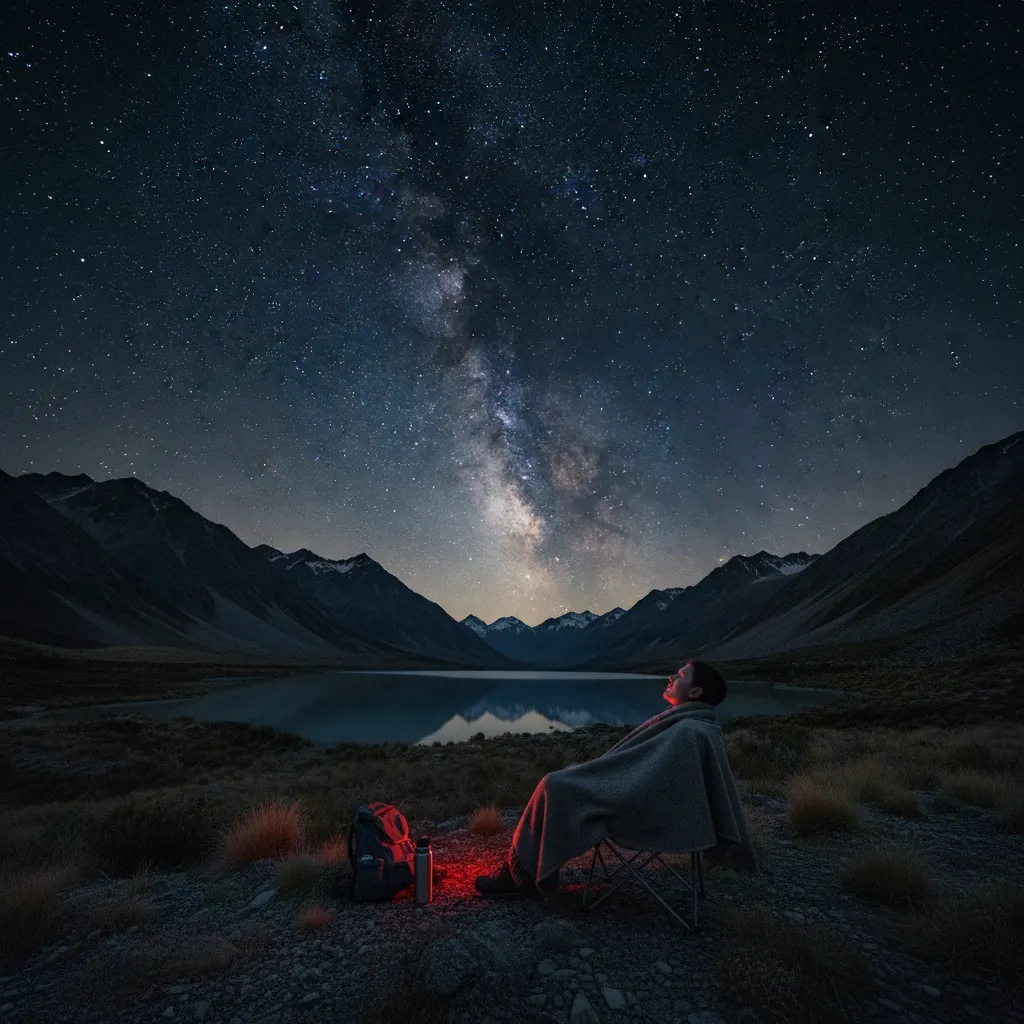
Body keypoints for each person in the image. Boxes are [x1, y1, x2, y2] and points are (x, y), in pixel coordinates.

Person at [474, 659, 754, 901]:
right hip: (644, 801)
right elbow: (649, 772)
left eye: (680, 676)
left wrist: (604, 781)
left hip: (640, 810)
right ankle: (527, 871)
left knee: (554, 784)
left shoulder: (688, 732)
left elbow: (648, 780)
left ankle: (519, 877)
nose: (671, 677)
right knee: (563, 779)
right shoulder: (696, 725)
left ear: (695, 691)